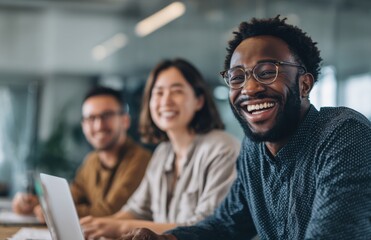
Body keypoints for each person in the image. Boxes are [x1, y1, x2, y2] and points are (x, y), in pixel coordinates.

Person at [117, 16, 371, 240]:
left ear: (304, 85)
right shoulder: (254, 150)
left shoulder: (344, 134)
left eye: (267, 72)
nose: (249, 89)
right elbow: (226, 225)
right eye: (237, 77)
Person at [80, 58, 240, 239]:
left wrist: (118, 227)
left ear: (199, 101)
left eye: (176, 91)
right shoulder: (163, 153)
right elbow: (136, 210)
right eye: (158, 93)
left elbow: (205, 229)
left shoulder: (222, 148)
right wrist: (101, 226)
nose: (166, 101)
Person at [12, 86, 152, 221]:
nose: (98, 126)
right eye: (91, 118)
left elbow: (111, 212)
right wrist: (36, 203)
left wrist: (53, 210)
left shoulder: (141, 160)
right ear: (83, 126)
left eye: (107, 116)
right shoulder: (92, 160)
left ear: (125, 121)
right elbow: (70, 198)